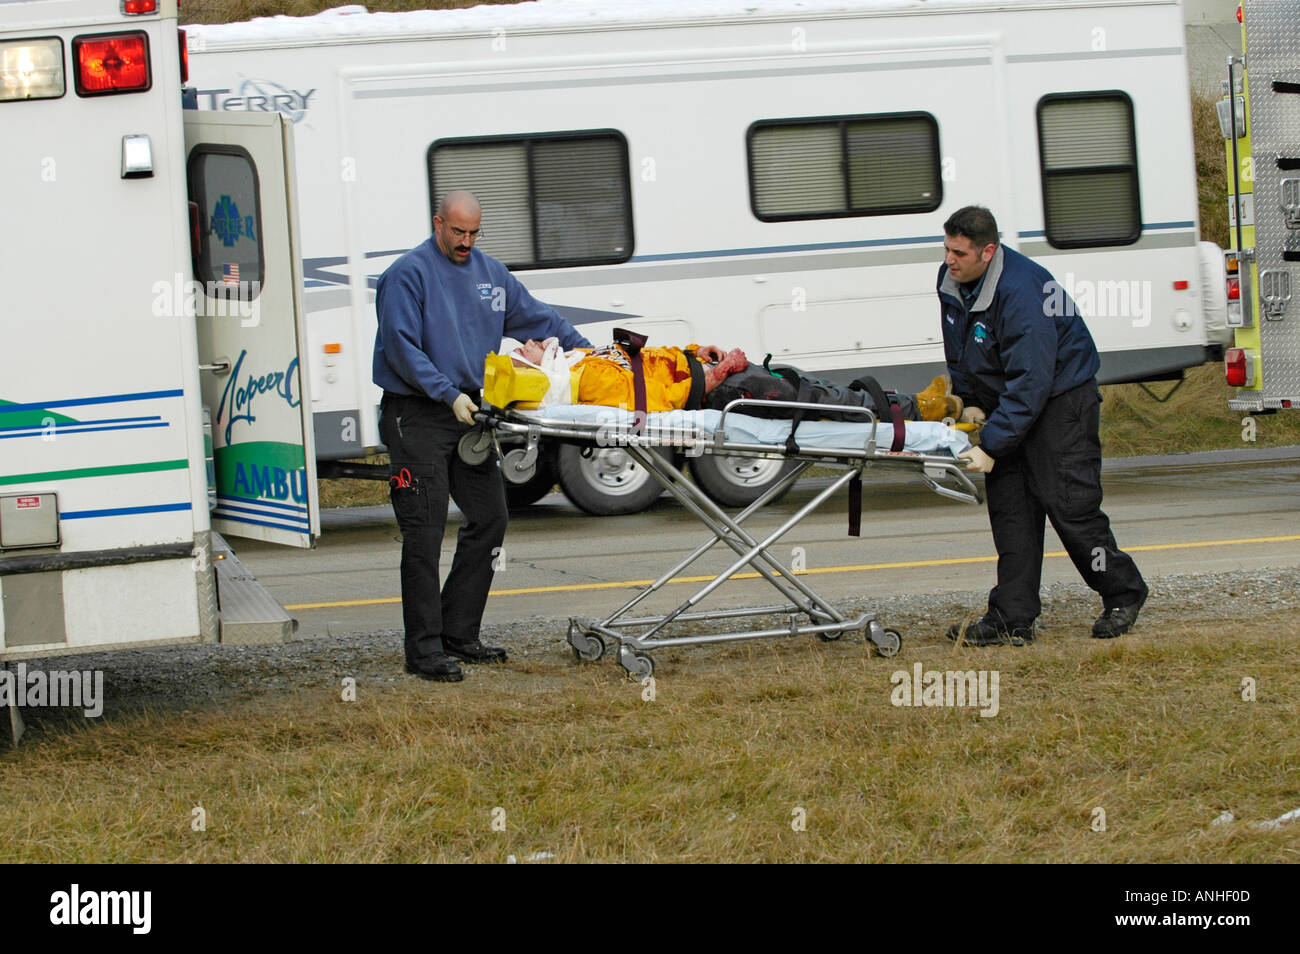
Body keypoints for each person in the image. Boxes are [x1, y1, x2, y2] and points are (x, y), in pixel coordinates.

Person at [373, 190, 592, 681]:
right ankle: (424, 651)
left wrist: (593, 356)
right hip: (418, 415)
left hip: (469, 413)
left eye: (474, 233)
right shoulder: (407, 276)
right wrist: (446, 393)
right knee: (424, 533)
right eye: (457, 232)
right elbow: (402, 349)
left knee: (490, 519)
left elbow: (542, 320)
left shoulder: (492, 276)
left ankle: (458, 632)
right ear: (438, 224)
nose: (466, 242)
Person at [937, 205, 1147, 646]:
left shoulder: (1022, 291)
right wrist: (970, 404)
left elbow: (1033, 378)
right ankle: (1011, 618)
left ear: (988, 251)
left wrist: (991, 444)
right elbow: (959, 350)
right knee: (1011, 512)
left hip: (1060, 402)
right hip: (1012, 402)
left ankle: (1123, 593)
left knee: (1070, 508)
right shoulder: (952, 281)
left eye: (959, 252)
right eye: (946, 248)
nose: (950, 260)